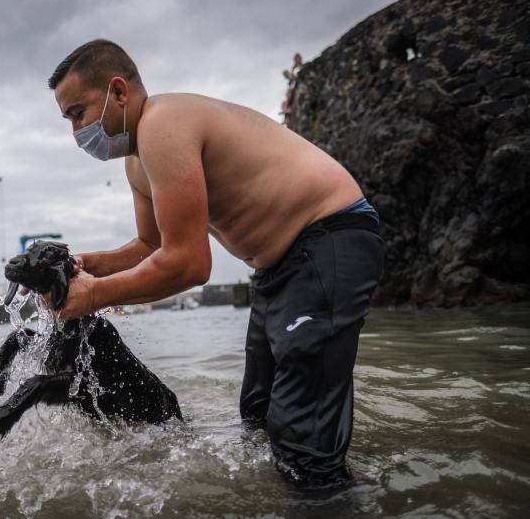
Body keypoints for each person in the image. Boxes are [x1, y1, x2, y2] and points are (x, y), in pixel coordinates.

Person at [47, 39, 384, 488]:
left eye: (78, 113)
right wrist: (86, 266)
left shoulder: (162, 124)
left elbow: (188, 264)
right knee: (259, 415)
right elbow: (150, 243)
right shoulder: (136, 162)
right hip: (279, 268)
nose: (76, 133)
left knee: (302, 440)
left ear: (119, 91)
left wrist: (94, 297)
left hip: (331, 236)